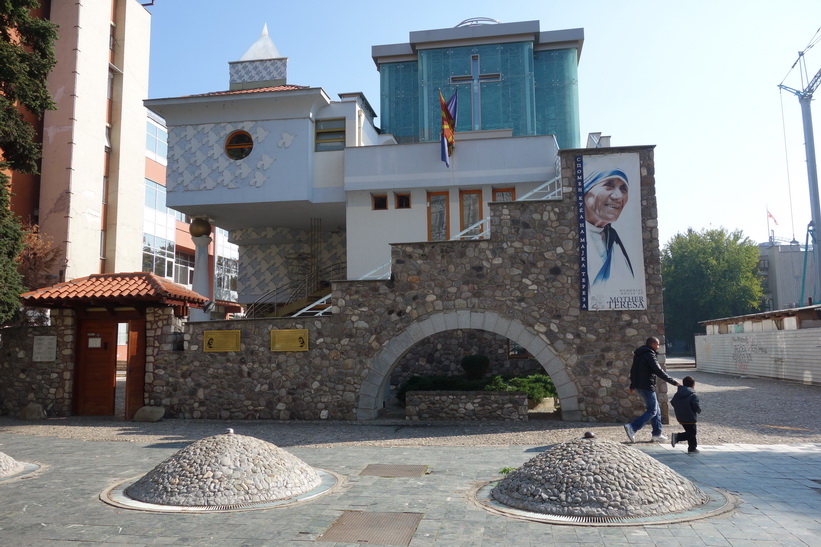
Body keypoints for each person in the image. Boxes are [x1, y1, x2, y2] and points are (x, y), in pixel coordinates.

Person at [583, 169, 634, 286]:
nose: (618, 196)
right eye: (609, 185)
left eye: (623, 189)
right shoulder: (574, 234)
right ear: (586, 189)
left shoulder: (614, 239)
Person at [623, 337, 679, 443]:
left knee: (656, 410)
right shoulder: (649, 355)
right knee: (652, 410)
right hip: (647, 386)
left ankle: (657, 434)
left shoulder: (639, 354)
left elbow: (633, 371)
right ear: (653, 344)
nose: (658, 347)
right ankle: (633, 427)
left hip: (640, 386)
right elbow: (658, 371)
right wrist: (674, 382)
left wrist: (632, 385)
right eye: (657, 344)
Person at [670, 376, 701, 454]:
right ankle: (677, 437)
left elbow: (673, 402)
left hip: (680, 416)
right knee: (692, 433)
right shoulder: (693, 394)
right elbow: (695, 405)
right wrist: (698, 410)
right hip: (690, 416)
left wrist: (679, 409)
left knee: (689, 431)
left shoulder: (678, 393)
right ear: (693, 384)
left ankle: (692, 448)